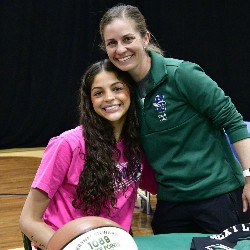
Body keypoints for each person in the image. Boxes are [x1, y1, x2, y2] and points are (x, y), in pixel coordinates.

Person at [99, 4, 250, 234]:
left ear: (145, 38)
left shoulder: (182, 75)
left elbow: (233, 122)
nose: (121, 49)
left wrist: (249, 177)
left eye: (128, 39)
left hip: (219, 197)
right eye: (112, 43)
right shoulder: (119, 93)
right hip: (171, 203)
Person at [19, 59, 157, 249]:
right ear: (90, 101)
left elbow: (162, 185)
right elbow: (28, 220)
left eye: (117, 88)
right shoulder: (67, 144)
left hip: (112, 243)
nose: (109, 98)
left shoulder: (138, 144)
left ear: (131, 92)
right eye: (98, 93)